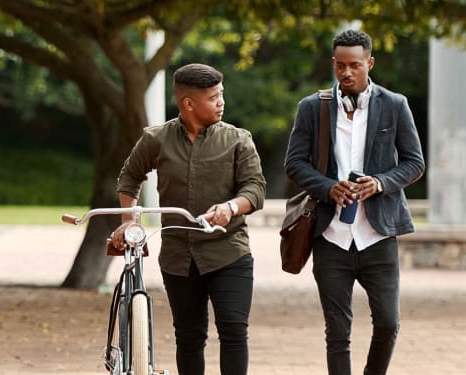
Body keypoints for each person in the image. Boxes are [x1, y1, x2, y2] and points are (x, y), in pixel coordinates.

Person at [284, 29, 425, 375]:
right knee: (337, 333)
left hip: (378, 235)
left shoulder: (395, 105)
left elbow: (414, 162)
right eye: (340, 65)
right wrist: (327, 187)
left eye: (355, 66)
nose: (346, 73)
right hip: (330, 237)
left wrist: (380, 182)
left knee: (389, 324)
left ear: (370, 63)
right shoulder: (312, 107)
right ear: (333, 63)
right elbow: (294, 163)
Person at [110, 63, 266, 375]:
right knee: (190, 337)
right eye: (213, 97)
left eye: (222, 95)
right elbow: (129, 177)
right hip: (179, 256)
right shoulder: (156, 139)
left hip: (229, 252)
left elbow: (256, 188)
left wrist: (231, 208)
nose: (222, 102)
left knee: (234, 331)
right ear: (189, 103)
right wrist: (130, 220)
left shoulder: (238, 140)